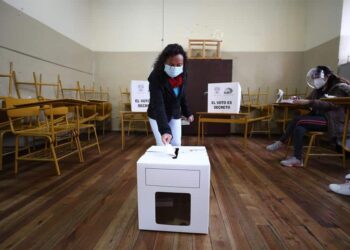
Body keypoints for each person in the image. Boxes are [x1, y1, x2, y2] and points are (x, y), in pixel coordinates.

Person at [266, 65, 350, 167]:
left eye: (317, 78)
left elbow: (331, 105)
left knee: (298, 120)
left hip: (332, 121)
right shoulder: (317, 90)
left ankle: (281, 141)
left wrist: (308, 102)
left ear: (328, 76)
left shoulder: (338, 87)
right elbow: (309, 102)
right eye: (314, 78)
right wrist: (298, 100)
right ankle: (297, 159)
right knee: (299, 128)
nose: (315, 80)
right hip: (319, 119)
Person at [147, 44, 194, 146]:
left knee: (176, 143)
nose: (175, 68)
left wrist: (187, 112)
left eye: (179, 65)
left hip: (174, 112)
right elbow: (158, 105)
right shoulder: (155, 77)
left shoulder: (183, 74)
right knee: (164, 144)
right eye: (171, 65)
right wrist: (165, 130)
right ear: (164, 62)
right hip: (157, 115)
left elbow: (182, 95)